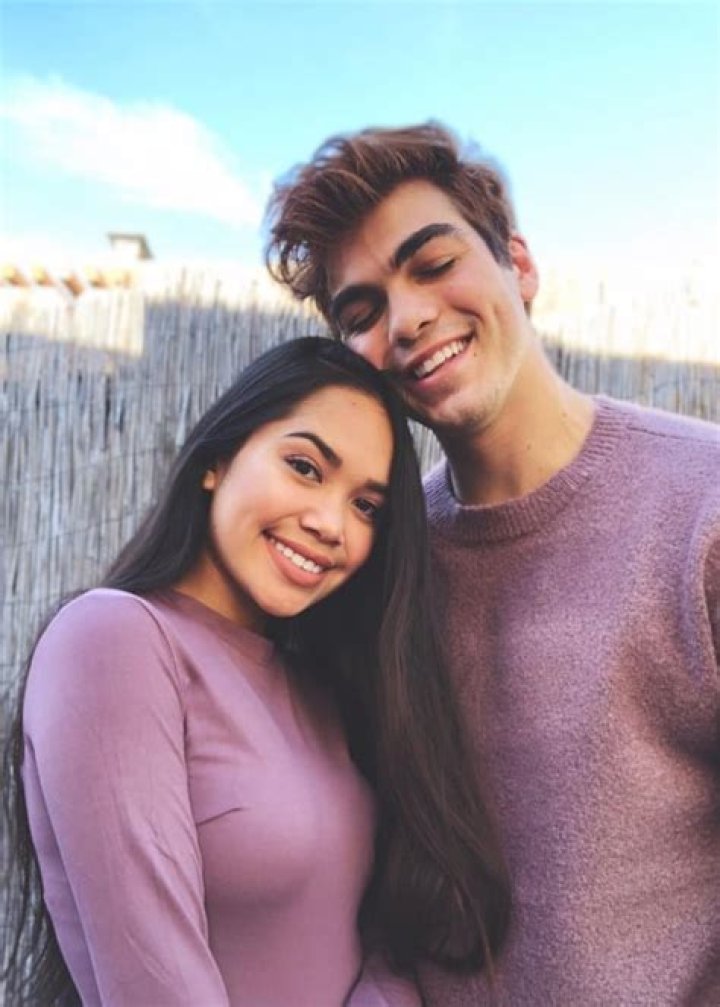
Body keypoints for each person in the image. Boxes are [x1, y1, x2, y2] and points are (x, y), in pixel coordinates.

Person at [265, 125, 720, 1006]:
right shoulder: (373, 569)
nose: (407, 320)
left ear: (519, 263)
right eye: (361, 312)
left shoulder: (702, 510)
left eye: (434, 264)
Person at [3, 337, 510, 1007]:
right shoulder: (112, 640)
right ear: (218, 459)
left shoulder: (323, 687)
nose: (330, 523)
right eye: (304, 466)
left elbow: (378, 943)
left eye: (366, 507)